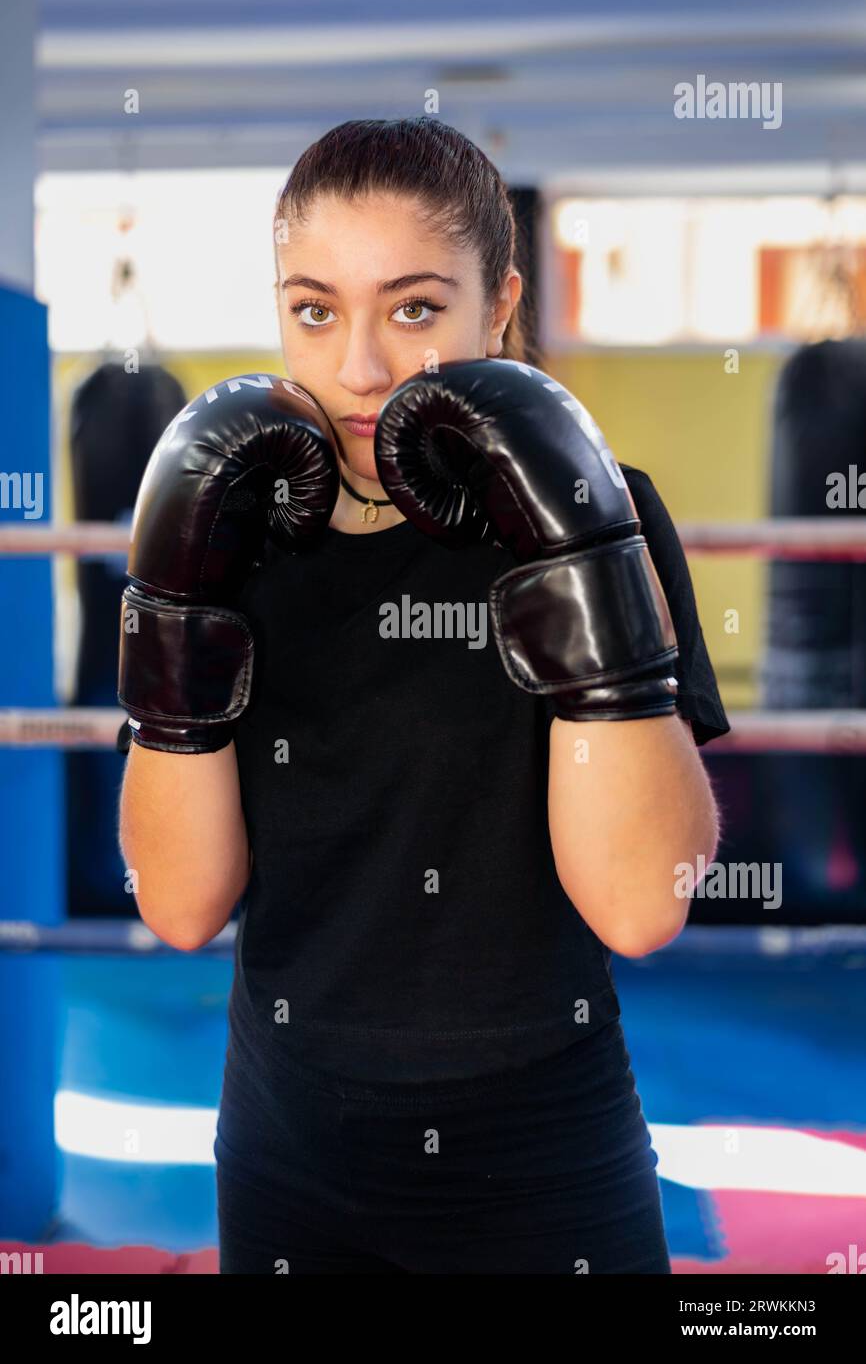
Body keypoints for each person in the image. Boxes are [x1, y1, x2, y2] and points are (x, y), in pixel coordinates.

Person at [118, 116, 729, 1275]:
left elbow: (640, 906)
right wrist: (175, 608)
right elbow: (182, 905)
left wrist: (579, 555)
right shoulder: (228, 531)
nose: (357, 367)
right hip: (290, 1139)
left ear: (496, 304)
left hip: (547, 1138)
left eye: (410, 309)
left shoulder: (598, 505)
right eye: (313, 309)